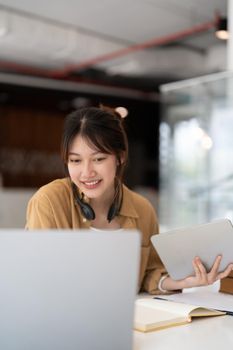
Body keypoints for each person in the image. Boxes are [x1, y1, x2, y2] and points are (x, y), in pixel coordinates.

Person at [26, 106, 233, 294]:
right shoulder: (49, 202)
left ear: (120, 157)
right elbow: (36, 278)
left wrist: (183, 282)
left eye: (98, 159)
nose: (86, 172)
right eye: (75, 160)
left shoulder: (142, 209)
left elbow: (151, 274)